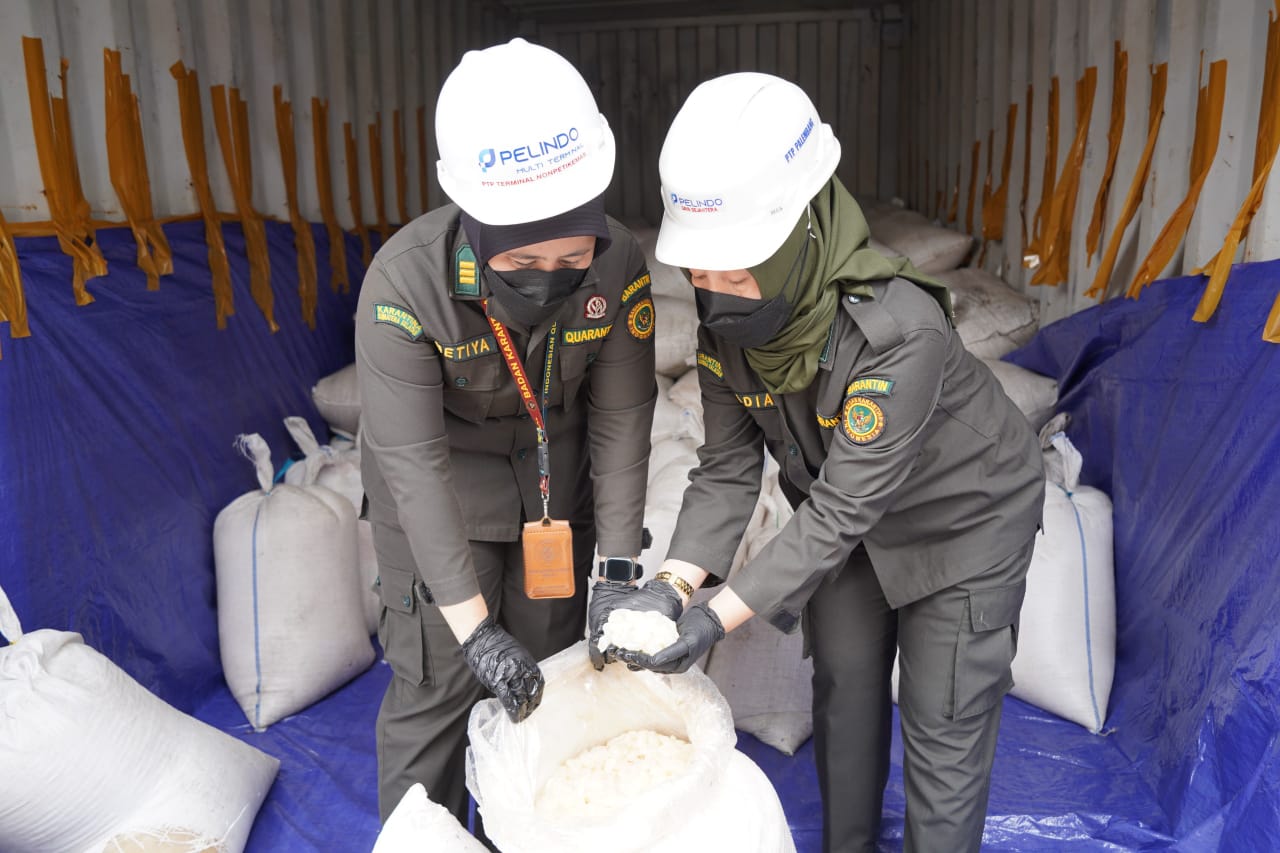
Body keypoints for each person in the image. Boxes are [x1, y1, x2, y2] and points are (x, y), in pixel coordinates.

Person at [610, 72, 1046, 853]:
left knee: (942, 719)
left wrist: (712, 619)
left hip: (961, 523)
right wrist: (669, 588)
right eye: (699, 274)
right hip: (840, 525)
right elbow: (727, 468)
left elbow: (845, 508)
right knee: (843, 690)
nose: (717, 296)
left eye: (737, 270)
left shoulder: (897, 329)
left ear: (796, 233)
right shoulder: (727, 325)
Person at [355, 38, 658, 825]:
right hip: (444, 499)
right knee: (439, 689)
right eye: (523, 260)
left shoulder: (620, 260)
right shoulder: (403, 286)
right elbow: (412, 465)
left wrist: (616, 572)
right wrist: (474, 631)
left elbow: (622, 416)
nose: (552, 276)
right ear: (478, 228)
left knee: (551, 684)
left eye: (572, 254)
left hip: (554, 492)